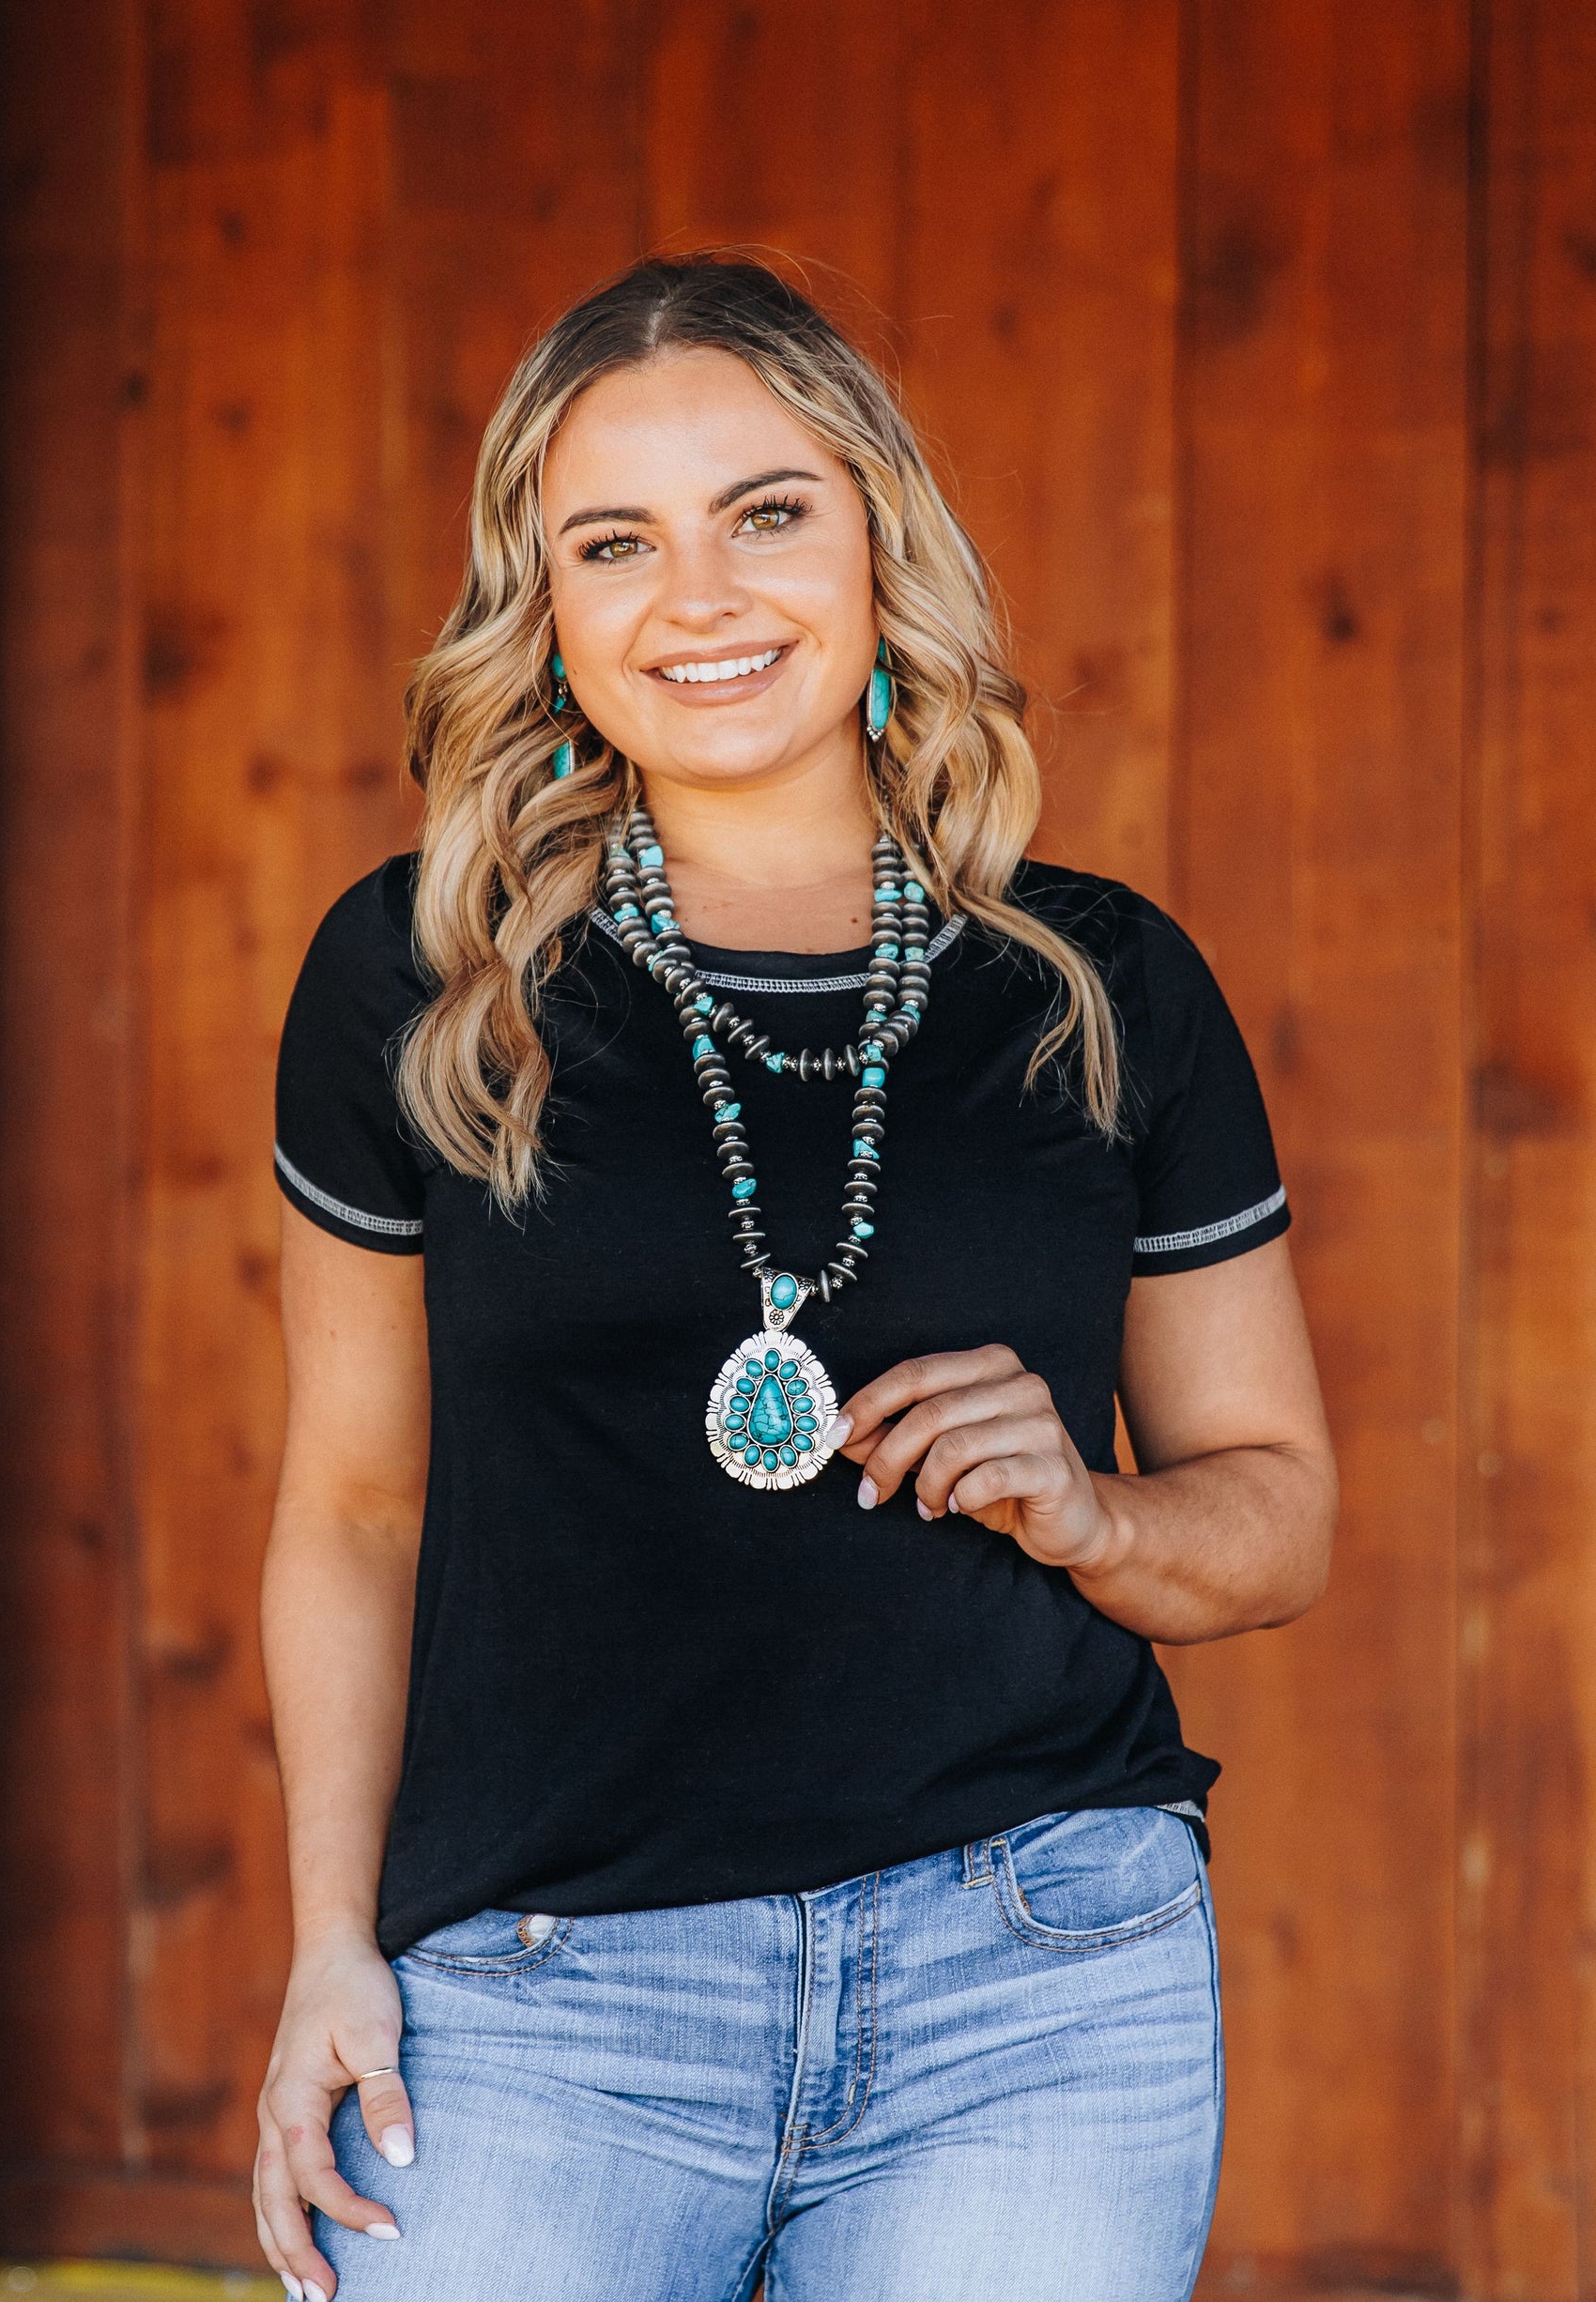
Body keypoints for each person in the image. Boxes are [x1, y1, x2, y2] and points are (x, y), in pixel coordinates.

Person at [253, 253, 1336, 2302]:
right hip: (540, 1989)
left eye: (764, 513)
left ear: (873, 543)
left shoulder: (1100, 988)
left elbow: (1278, 1517)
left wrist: (1092, 1511)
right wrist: (327, 1943)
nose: (701, 596)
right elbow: (354, 1509)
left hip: (1032, 1973)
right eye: (615, 543)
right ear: (545, 612)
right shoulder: (420, 981)